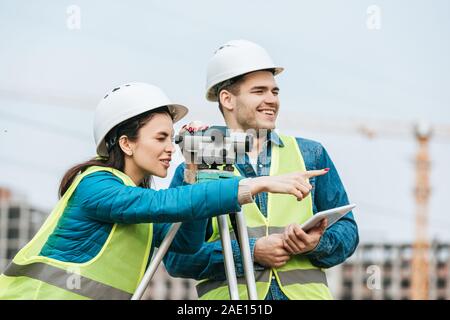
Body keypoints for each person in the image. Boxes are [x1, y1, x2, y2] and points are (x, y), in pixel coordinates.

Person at [0, 82, 316, 300]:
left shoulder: (140, 202)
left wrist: (195, 173)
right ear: (126, 143)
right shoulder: (95, 184)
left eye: (172, 138)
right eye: (161, 138)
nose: (170, 148)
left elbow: (185, 244)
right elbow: (163, 203)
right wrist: (255, 184)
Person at [164, 40, 359, 300]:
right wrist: (250, 252)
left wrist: (316, 244)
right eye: (259, 91)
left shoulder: (311, 154)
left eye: (274, 92)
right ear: (227, 99)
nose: (271, 100)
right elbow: (177, 258)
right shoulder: (195, 166)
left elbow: (347, 232)